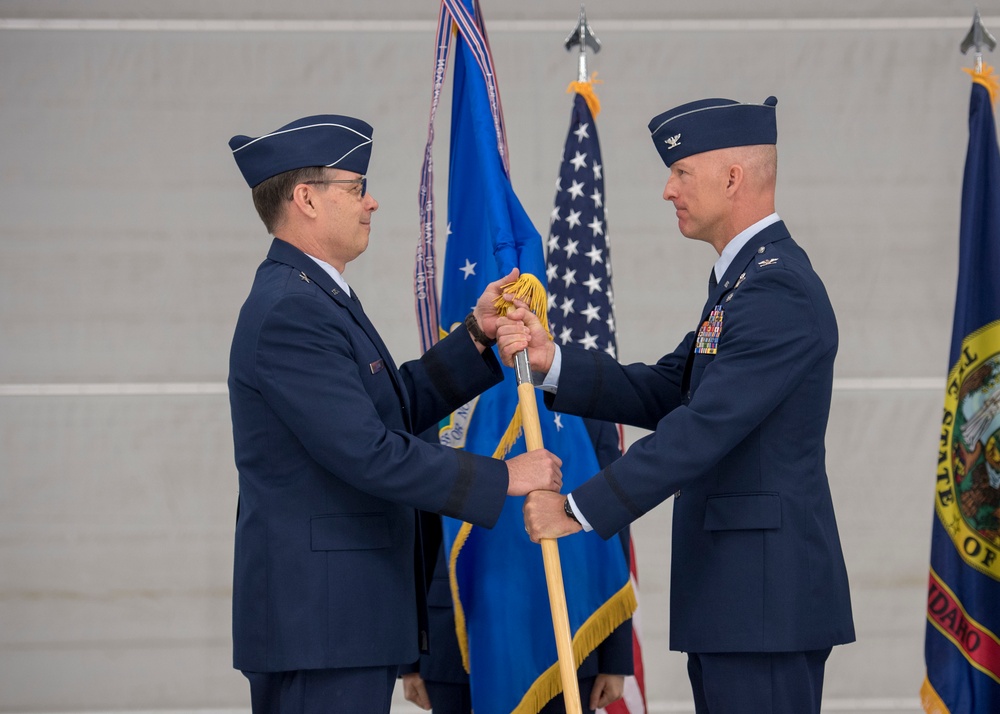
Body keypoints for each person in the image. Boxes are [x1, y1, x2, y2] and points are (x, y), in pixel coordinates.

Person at [497, 96, 855, 714]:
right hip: (737, 598)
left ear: (732, 177)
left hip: (761, 601)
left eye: (681, 172)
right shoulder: (744, 280)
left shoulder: (775, 288)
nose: (668, 190)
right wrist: (549, 361)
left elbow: (702, 428)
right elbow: (669, 389)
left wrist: (578, 509)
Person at [226, 114, 563, 714]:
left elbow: (392, 409)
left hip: (339, 620)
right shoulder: (291, 310)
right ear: (305, 198)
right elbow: (367, 451)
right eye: (355, 188)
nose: (372, 202)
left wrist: (476, 339)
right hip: (321, 627)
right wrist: (504, 477)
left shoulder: (314, 294)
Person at [400, 420, 633, 714]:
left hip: (569, 633)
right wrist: (411, 658)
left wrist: (614, 659)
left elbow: (611, 526)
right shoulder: (449, 390)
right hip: (456, 638)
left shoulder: (583, 401)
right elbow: (419, 530)